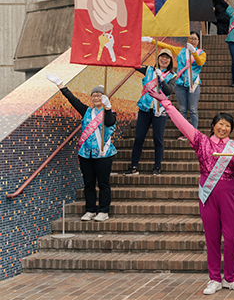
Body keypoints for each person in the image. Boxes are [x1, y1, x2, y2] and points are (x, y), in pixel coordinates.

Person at [146, 88, 234, 295]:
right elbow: (182, 124)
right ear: (213, 126)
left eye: (228, 125)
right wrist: (167, 103)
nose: (224, 128)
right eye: (221, 124)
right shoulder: (202, 141)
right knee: (211, 237)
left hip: (230, 194)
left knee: (232, 237)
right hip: (208, 194)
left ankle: (230, 278)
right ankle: (214, 279)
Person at [46, 75, 116, 222]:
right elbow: (73, 100)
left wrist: (108, 107)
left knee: (103, 184)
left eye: (99, 95)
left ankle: (104, 211)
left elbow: (109, 122)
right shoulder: (86, 111)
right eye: (94, 95)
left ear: (104, 98)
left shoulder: (110, 113)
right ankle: (90, 210)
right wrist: (61, 85)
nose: (96, 97)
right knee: (88, 183)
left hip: (103, 154)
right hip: (86, 154)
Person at [144, 32, 207, 139]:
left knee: (192, 110)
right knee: (182, 109)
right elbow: (165, 46)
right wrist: (151, 41)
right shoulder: (180, 51)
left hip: (193, 85)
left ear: (198, 41)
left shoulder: (201, 53)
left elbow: (200, 63)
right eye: (191, 38)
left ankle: (194, 133)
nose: (193, 41)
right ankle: (184, 133)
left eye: (195, 39)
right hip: (180, 84)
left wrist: (194, 52)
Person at [125, 49, 176, 176]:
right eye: (162, 57)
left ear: (170, 61)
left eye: (167, 58)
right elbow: (134, 64)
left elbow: (169, 91)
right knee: (139, 138)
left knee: (158, 139)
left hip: (160, 111)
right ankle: (134, 166)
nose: (164, 60)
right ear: (158, 58)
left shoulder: (172, 76)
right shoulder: (148, 70)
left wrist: (162, 80)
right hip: (145, 109)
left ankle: (157, 167)